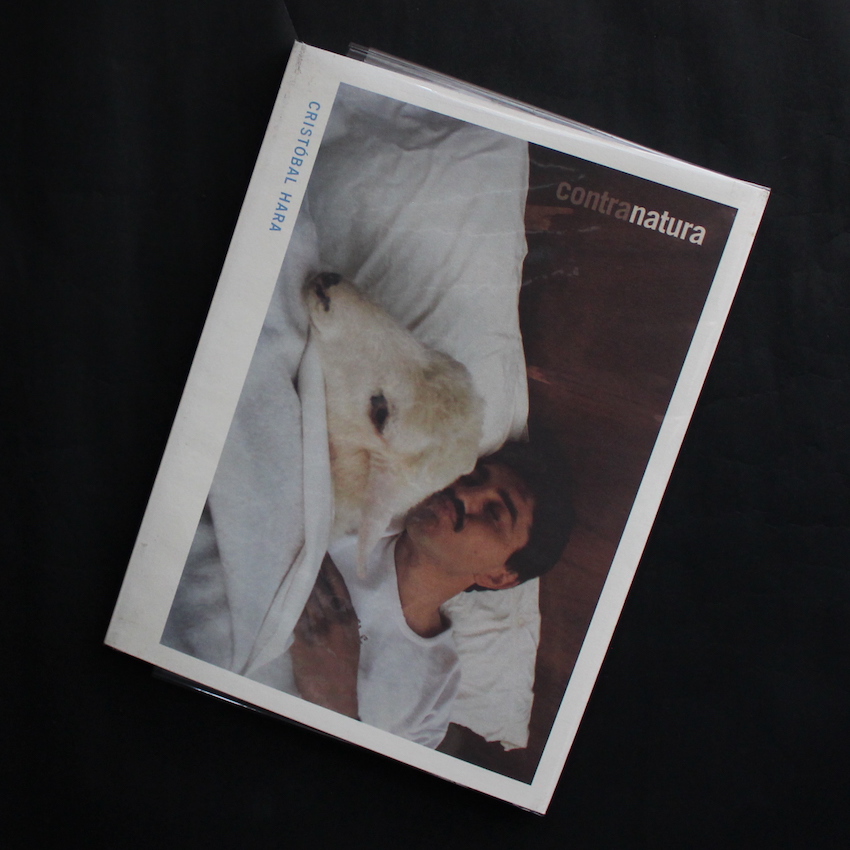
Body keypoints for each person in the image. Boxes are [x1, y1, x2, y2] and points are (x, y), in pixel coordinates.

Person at [288, 439, 574, 748]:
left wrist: (338, 708)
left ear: (499, 576)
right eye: (471, 478)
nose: (462, 494)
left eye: (494, 513)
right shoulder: (341, 512)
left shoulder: (432, 698)